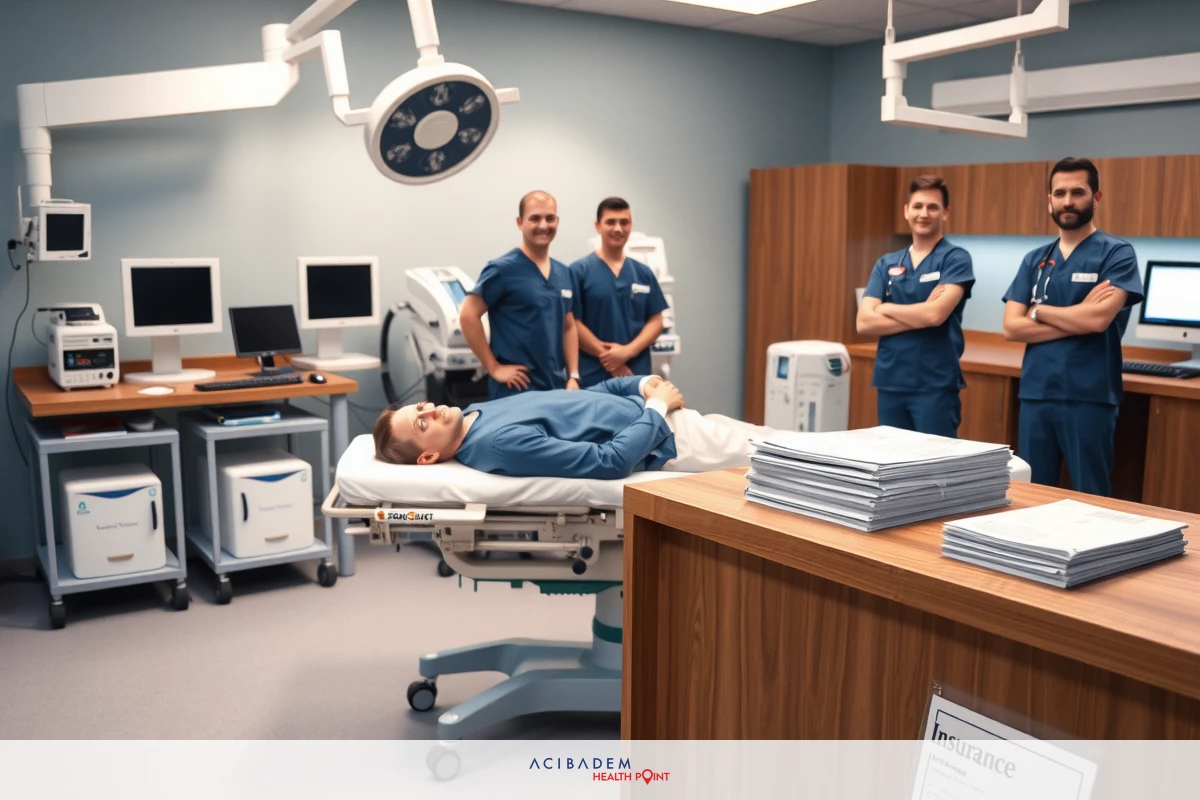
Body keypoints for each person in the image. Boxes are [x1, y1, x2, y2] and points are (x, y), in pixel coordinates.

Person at [1001, 157, 1143, 497]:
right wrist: (1079, 316)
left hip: (1089, 395)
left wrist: (1038, 311)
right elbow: (1011, 328)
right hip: (1036, 393)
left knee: (1090, 495)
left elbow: (1098, 320)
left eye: (1077, 192)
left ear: (1096, 197)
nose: (1067, 201)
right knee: (1031, 494)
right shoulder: (1035, 259)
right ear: (1049, 200)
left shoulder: (1117, 254)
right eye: (1059, 193)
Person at [372, 375, 777, 479]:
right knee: (794, 456)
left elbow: (585, 397)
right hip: (672, 440)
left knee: (781, 438)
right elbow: (610, 461)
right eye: (421, 423)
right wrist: (656, 407)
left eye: (421, 407)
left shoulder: (476, 412)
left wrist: (642, 385)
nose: (431, 410)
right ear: (428, 456)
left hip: (666, 415)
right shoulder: (497, 444)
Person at [856, 175, 975, 437]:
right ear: (906, 211)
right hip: (891, 382)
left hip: (934, 385)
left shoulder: (955, 259)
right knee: (892, 459)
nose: (924, 213)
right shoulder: (886, 263)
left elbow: (934, 316)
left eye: (933, 207)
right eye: (918, 206)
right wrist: (920, 312)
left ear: (945, 212)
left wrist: (886, 308)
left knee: (936, 460)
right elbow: (864, 322)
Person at [459, 191, 581, 399]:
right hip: (516, 390)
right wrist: (493, 367)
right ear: (520, 223)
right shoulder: (502, 270)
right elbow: (467, 315)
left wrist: (573, 375)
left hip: (556, 388)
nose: (543, 225)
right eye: (535, 218)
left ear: (557, 221)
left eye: (550, 218)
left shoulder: (564, 272)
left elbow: (568, 326)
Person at [569, 197, 670, 387]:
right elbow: (573, 323)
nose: (618, 228)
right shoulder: (578, 271)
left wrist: (627, 352)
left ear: (631, 226)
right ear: (598, 226)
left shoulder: (643, 273)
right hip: (593, 377)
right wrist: (611, 359)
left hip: (637, 375)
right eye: (611, 222)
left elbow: (656, 321)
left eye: (624, 222)